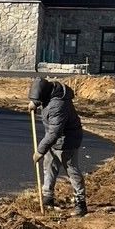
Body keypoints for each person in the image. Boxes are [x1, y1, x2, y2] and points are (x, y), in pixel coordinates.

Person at [28, 76, 87, 217]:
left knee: (72, 170)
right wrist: (35, 103)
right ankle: (48, 199)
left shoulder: (58, 105)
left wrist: (40, 150)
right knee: (49, 167)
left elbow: (55, 132)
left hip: (68, 141)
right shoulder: (50, 94)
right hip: (53, 139)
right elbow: (41, 99)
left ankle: (80, 203)